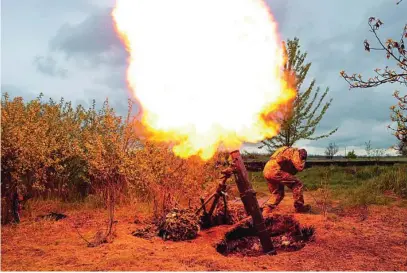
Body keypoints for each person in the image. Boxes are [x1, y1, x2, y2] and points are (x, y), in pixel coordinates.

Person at [262, 146, 311, 214]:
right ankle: (299, 207)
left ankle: (266, 211)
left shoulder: (285, 149)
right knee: (297, 184)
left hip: (267, 170)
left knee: (278, 193)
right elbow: (299, 167)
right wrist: (303, 160)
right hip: (275, 170)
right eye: (302, 158)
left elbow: (280, 159)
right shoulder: (295, 152)